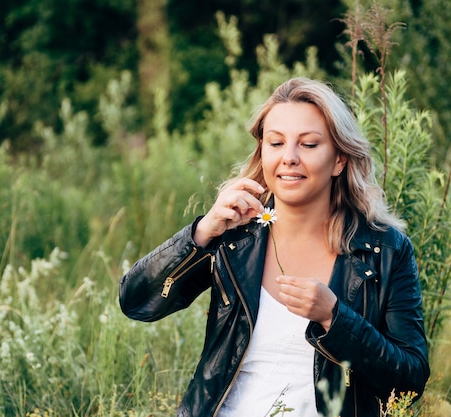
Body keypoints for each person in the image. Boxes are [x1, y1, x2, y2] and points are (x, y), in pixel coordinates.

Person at [119, 77, 430, 417]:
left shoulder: (384, 249)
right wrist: (202, 233)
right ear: (262, 151)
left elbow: (410, 381)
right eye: (276, 142)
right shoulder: (235, 236)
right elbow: (136, 302)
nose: (289, 158)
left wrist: (334, 317)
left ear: (340, 160)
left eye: (309, 145)